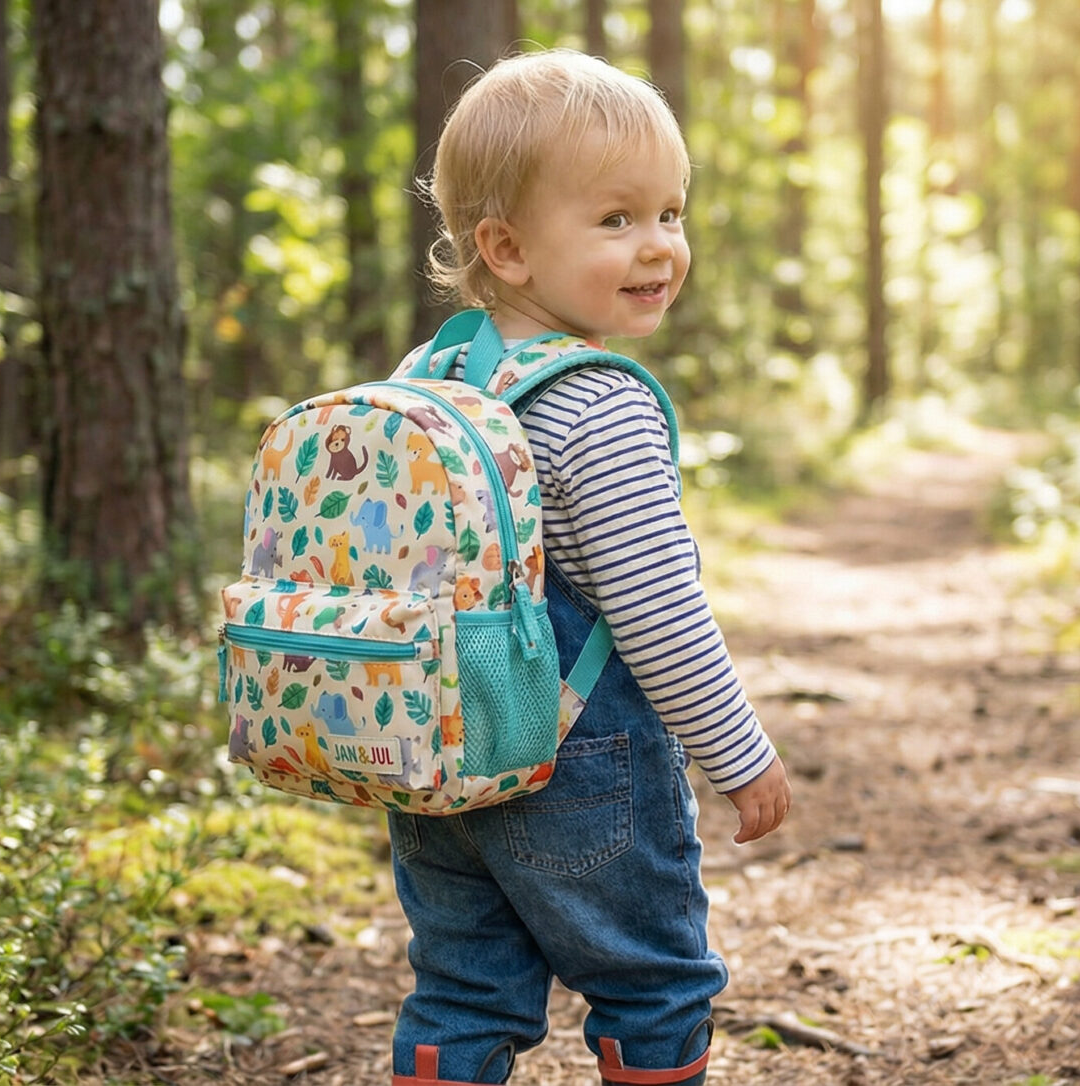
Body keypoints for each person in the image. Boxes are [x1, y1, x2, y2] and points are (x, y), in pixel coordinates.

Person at [384, 49, 792, 1086]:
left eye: (670, 212)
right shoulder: (598, 405)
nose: (658, 246)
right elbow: (658, 611)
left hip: (436, 755)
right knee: (653, 983)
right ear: (508, 248)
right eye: (615, 220)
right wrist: (735, 753)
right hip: (578, 762)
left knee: (463, 990)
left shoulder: (426, 376)